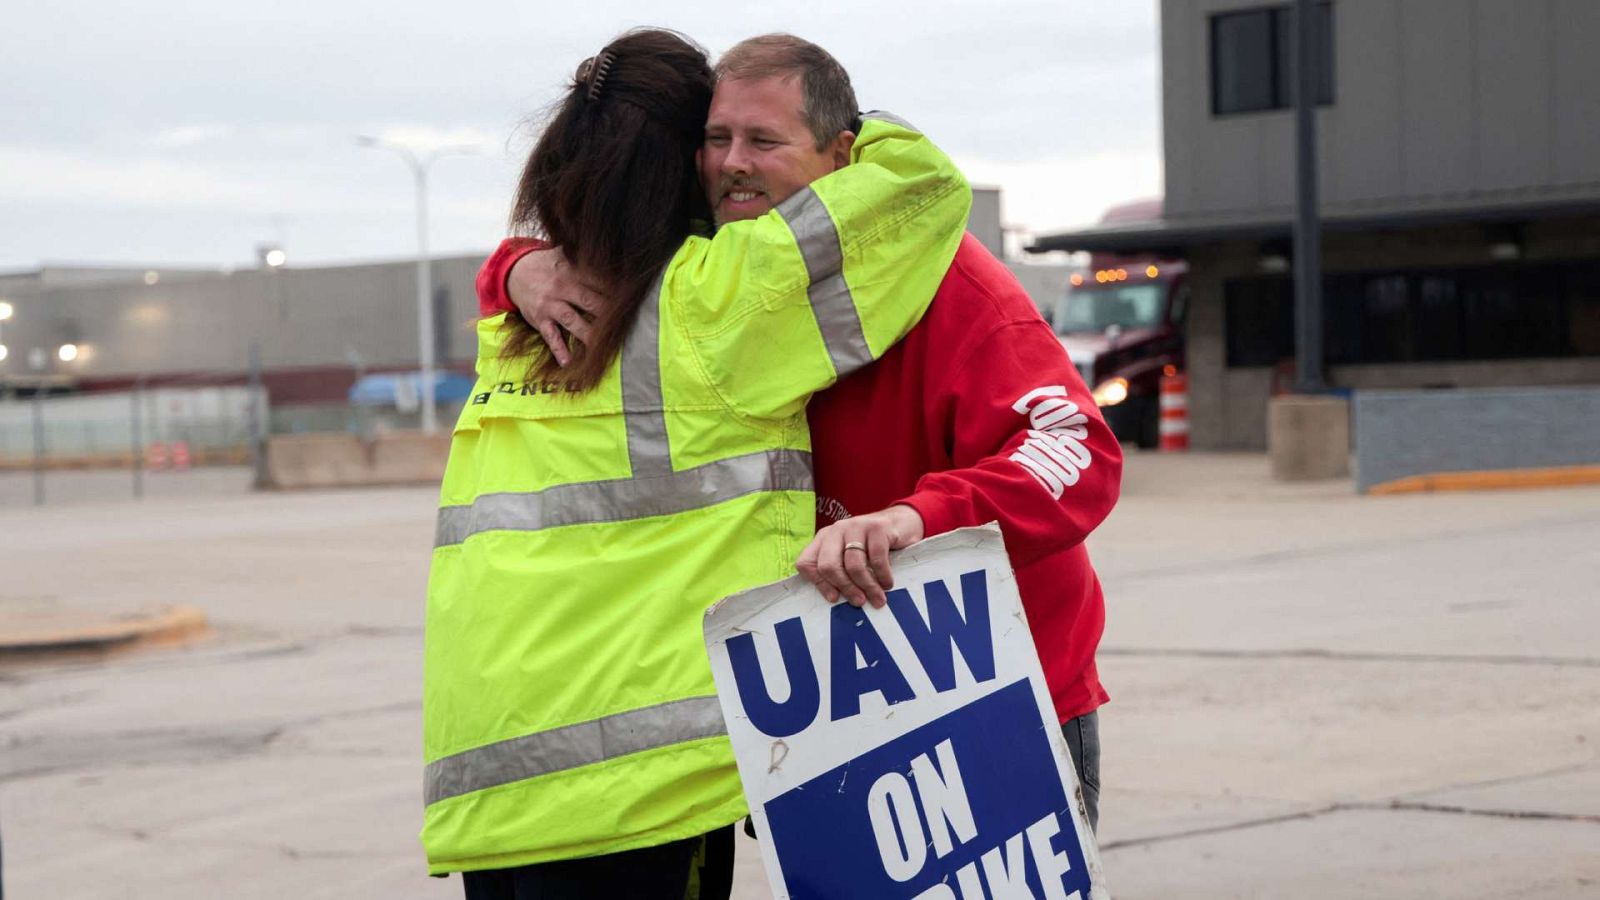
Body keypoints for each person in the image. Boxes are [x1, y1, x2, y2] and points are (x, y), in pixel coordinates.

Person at [491, 33, 1121, 831]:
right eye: (716, 140)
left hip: (996, 689)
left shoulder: (950, 281)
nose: (732, 163)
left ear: (840, 153)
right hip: (827, 712)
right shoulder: (711, 276)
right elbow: (588, 267)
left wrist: (918, 519)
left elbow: (1079, 450)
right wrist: (516, 268)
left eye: (764, 140)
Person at [424, 27, 970, 898]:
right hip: (635, 792)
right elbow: (925, 185)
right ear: (679, 163)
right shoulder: (713, 304)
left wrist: (518, 263)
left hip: (500, 787)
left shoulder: (515, 331)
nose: (730, 162)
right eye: (714, 139)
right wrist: (832, 120)